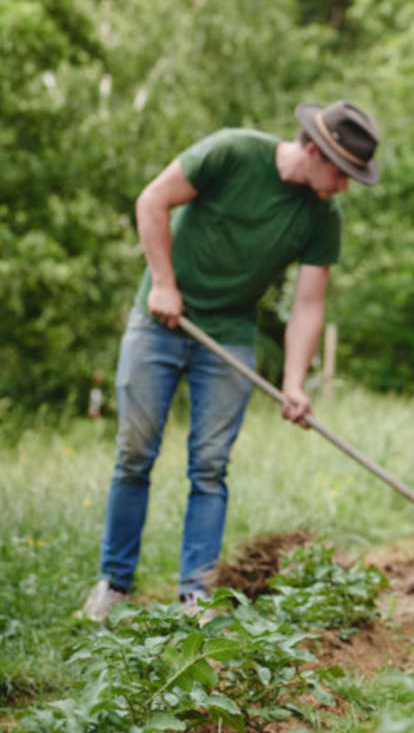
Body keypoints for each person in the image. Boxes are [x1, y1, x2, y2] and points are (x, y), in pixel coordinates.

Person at [80, 100, 380, 621]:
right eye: (341, 172)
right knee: (134, 454)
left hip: (228, 335)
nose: (345, 186)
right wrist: (165, 285)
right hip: (160, 321)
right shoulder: (232, 152)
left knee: (211, 468)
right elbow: (152, 201)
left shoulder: (322, 217)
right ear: (312, 150)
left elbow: (309, 303)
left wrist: (294, 382)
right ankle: (113, 585)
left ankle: (196, 595)